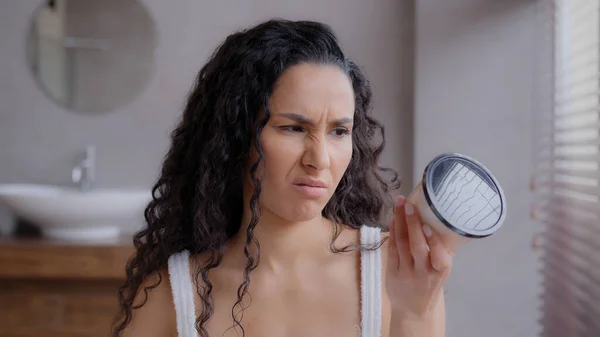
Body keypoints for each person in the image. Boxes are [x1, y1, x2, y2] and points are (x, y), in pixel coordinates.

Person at [112, 19, 453, 337]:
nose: (319, 159)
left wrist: (414, 313)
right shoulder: (173, 295)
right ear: (236, 136)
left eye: (338, 131)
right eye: (293, 128)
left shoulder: (395, 273)